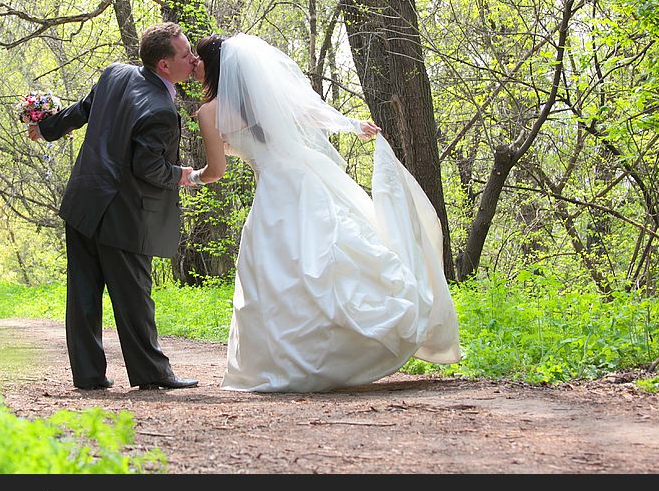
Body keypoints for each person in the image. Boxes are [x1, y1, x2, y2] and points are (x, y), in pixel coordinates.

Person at [188, 33, 461, 392]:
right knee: (326, 257)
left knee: (277, 272)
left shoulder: (208, 113)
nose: (194, 62)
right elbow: (310, 114)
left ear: (215, 67)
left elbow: (216, 171)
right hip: (305, 179)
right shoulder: (263, 98)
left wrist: (188, 177)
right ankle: (341, 345)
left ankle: (285, 361)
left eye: (198, 58)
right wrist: (353, 125)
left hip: (274, 189)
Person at [28, 22, 199, 391]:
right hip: (123, 215)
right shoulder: (161, 110)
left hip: (82, 201)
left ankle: (89, 376)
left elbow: (82, 110)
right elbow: (147, 166)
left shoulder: (114, 74)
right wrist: (183, 175)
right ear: (164, 65)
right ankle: (152, 373)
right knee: (134, 295)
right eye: (185, 54)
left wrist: (46, 129)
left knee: (84, 294)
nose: (193, 59)